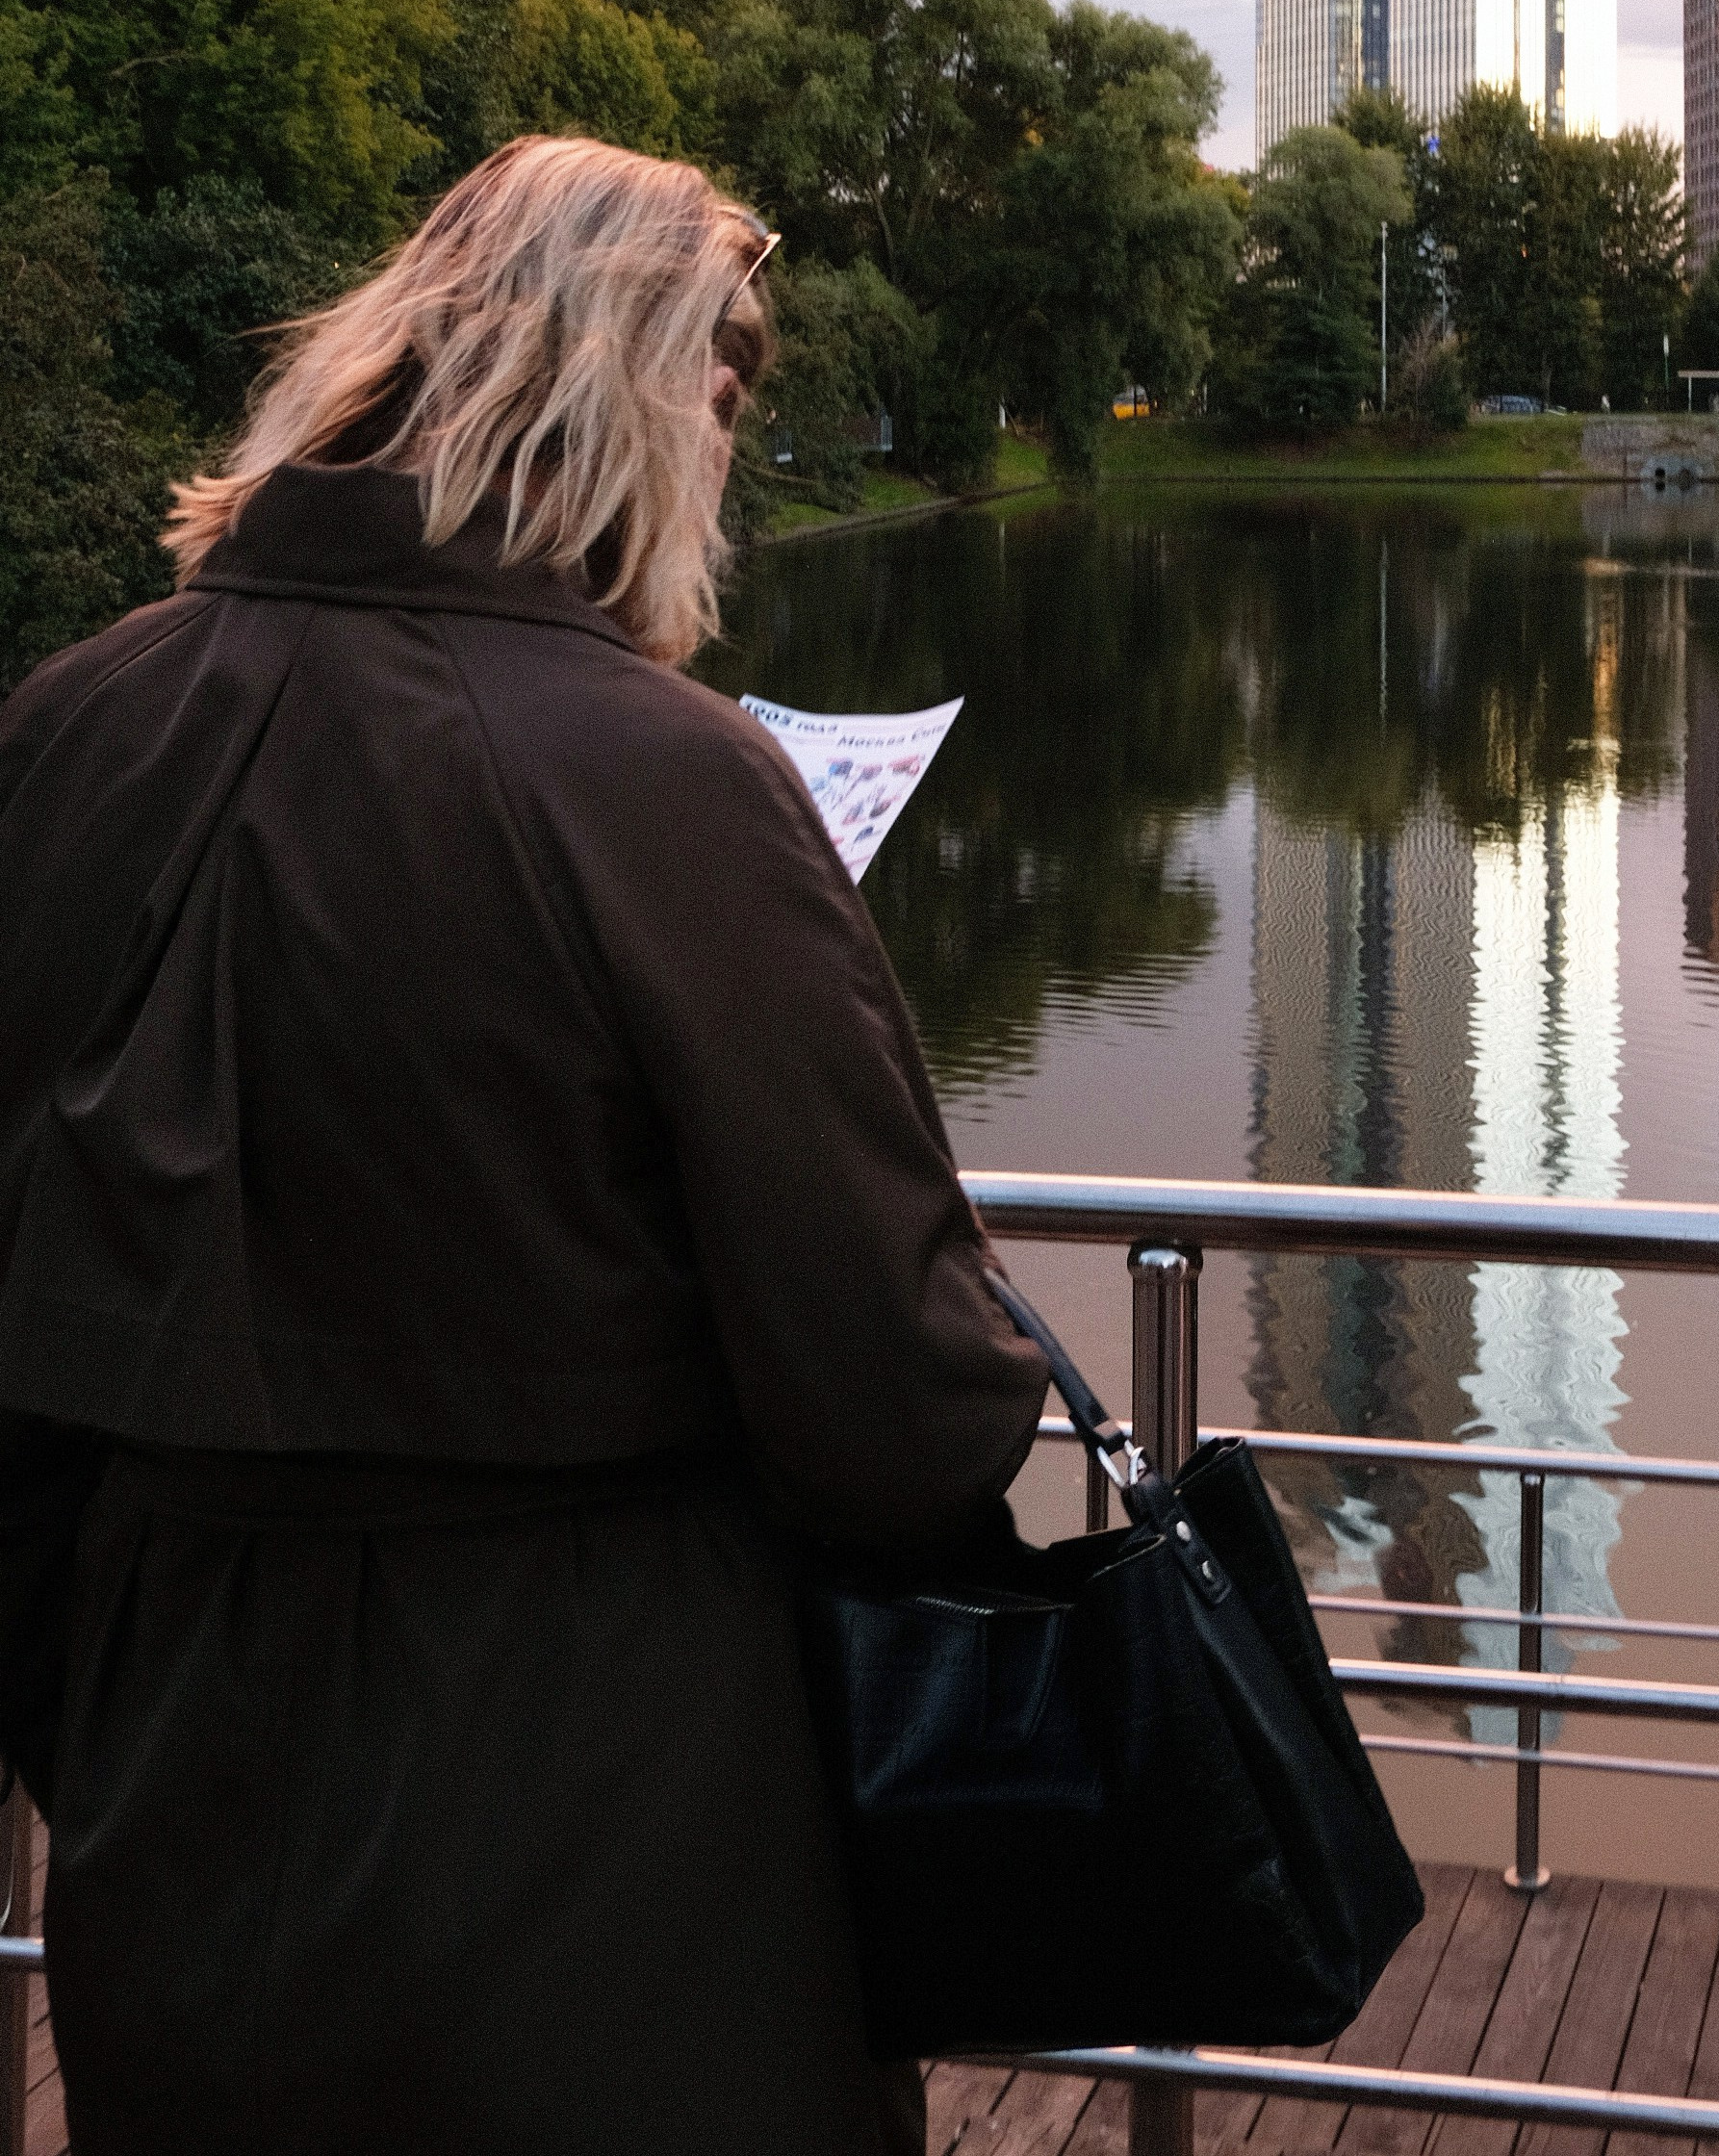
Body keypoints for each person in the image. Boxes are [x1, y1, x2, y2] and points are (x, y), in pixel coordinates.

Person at [0, 135, 1048, 2155]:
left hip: (174, 1792)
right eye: (727, 393)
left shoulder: (70, 722)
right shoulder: (673, 782)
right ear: (648, 398)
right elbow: (902, 1405)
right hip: (616, 1815)